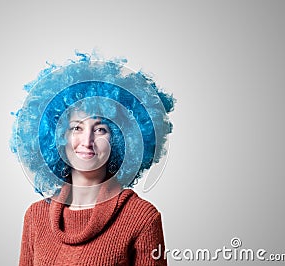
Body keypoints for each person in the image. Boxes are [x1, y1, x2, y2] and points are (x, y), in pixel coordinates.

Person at [10, 52, 175, 265]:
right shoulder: (35, 217)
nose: (87, 141)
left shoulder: (142, 218)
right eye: (77, 127)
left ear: (121, 138)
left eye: (100, 129)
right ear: (58, 135)